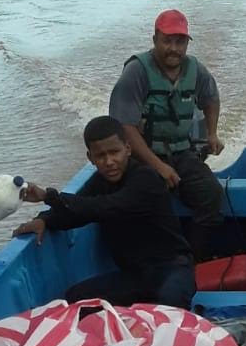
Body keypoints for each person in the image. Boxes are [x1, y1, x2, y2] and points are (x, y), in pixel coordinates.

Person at [13, 115, 196, 309]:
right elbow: (77, 210)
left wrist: (48, 196)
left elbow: (108, 206)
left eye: (114, 152)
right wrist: (45, 219)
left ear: (128, 149)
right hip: (135, 276)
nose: (109, 161)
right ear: (90, 158)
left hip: (172, 269)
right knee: (75, 299)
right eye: (101, 156)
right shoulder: (99, 183)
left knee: (170, 301)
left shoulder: (145, 179)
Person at [108, 8, 224, 260]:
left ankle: (193, 260)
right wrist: (158, 166)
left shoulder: (196, 69)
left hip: (183, 153)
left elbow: (211, 98)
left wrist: (212, 134)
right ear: (155, 40)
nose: (174, 48)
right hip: (143, 157)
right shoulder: (136, 72)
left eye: (180, 42)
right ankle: (152, 261)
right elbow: (124, 127)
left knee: (212, 195)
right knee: (147, 200)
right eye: (167, 41)